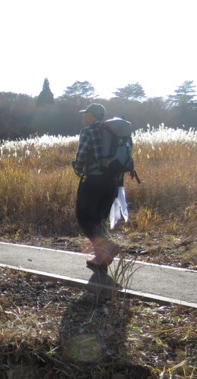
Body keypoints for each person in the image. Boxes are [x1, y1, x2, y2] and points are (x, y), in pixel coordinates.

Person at [72, 103, 119, 271]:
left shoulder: (89, 130)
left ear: (93, 115)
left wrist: (78, 170)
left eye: (86, 114)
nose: (83, 117)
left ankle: (107, 247)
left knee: (84, 217)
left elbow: (82, 155)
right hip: (112, 182)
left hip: (94, 180)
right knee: (99, 219)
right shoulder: (113, 131)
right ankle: (101, 258)